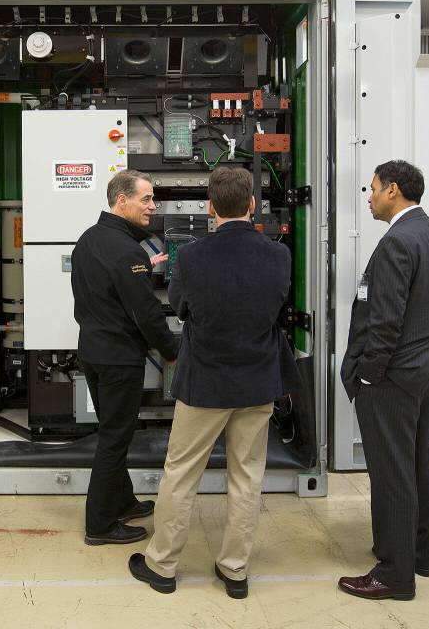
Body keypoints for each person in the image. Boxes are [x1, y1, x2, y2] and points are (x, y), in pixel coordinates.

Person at [127, 166, 301, 599]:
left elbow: (182, 309)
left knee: (182, 472)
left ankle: (162, 566)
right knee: (247, 476)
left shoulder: (191, 257)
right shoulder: (279, 255)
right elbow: (278, 307)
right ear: (252, 206)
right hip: (258, 381)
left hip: (205, 382)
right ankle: (235, 571)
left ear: (210, 207)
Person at [338, 159, 429, 601]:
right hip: (425, 366)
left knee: (391, 472)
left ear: (392, 190)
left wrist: (370, 374)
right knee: (419, 462)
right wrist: (428, 350)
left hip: (392, 375)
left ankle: (393, 573)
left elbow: (385, 320)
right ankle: (417, 556)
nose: (368, 198)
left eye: (372, 189)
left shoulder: (397, 243)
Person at [71, 170, 178, 546]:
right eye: (146, 199)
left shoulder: (88, 240)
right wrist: (172, 351)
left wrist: (140, 270)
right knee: (114, 439)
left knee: (112, 431)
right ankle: (99, 525)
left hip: (92, 352)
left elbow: (103, 291)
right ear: (122, 201)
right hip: (118, 359)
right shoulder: (128, 250)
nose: (153, 206)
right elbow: (146, 312)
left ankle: (124, 501)